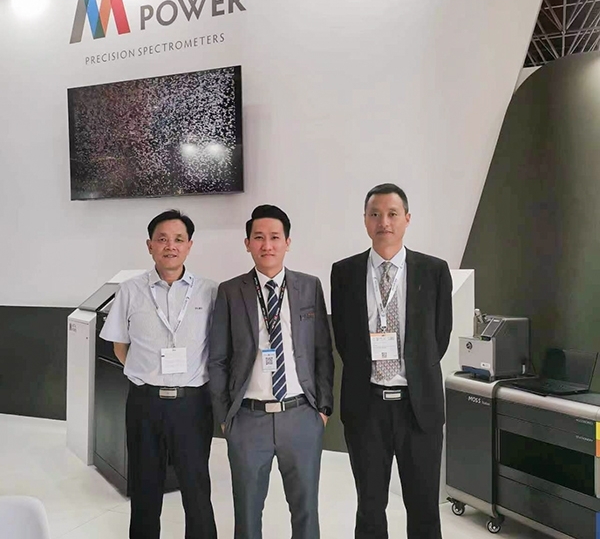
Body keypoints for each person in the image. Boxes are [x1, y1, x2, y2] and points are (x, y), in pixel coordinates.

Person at [330, 183, 452, 539]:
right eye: (375, 214)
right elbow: (344, 339)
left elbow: (439, 336)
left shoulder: (433, 270)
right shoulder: (345, 272)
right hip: (366, 406)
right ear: (365, 221)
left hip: (419, 407)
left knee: (424, 507)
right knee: (369, 507)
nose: (384, 222)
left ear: (407, 219)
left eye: (392, 214)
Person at [209, 204, 334, 539]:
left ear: (287, 242)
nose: (267, 245)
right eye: (259, 237)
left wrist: (322, 408)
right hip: (248, 419)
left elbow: (323, 351)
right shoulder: (230, 291)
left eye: (275, 237)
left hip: (301, 415)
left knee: (306, 511)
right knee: (248, 513)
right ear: (247, 243)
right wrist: (226, 417)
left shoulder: (309, 286)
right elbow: (217, 358)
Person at [100, 209, 218, 539]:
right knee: (145, 489)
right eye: (162, 239)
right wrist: (147, 375)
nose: (170, 246)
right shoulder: (130, 290)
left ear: (189, 245)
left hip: (192, 405)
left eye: (179, 239)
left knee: (196, 488)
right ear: (149, 245)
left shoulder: (209, 291)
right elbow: (120, 346)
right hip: (145, 403)